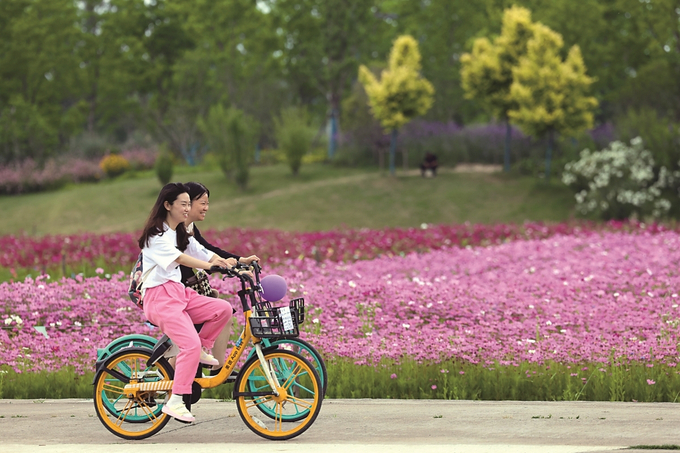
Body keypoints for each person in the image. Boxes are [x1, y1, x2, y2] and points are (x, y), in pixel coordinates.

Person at [138, 182, 234, 423]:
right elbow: (181, 258)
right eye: (184, 204)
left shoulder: (179, 232)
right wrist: (211, 267)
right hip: (160, 299)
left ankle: (200, 347)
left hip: (178, 293)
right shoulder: (155, 235)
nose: (187, 208)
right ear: (167, 205)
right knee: (188, 346)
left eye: (189, 204)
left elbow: (201, 251)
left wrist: (230, 264)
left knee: (222, 309)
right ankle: (176, 400)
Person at [180, 181, 260, 372]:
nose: (207, 208)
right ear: (187, 203)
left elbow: (208, 250)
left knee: (224, 313)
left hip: (190, 289)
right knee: (218, 312)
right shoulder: (175, 231)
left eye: (208, 203)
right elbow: (195, 259)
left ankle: (219, 367)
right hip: (175, 292)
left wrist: (240, 261)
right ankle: (201, 358)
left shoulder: (189, 228)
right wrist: (221, 266)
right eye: (203, 203)